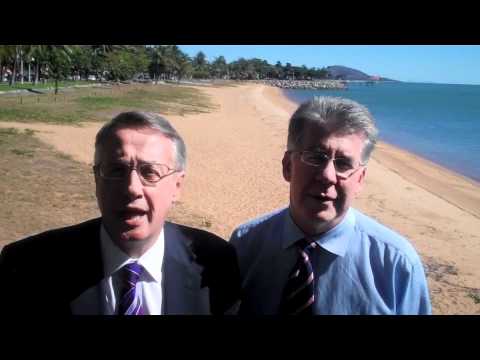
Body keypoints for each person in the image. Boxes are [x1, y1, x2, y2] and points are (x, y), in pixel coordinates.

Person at [0, 111, 241, 315]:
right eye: (116, 170)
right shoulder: (26, 266)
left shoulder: (216, 265)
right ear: (96, 180)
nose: (131, 188)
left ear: (177, 187)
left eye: (150, 172)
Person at [230, 96, 431, 315]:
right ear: (288, 166)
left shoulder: (395, 263)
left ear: (360, 179)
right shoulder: (244, 245)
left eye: (343, 163)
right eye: (316, 157)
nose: (327, 176)